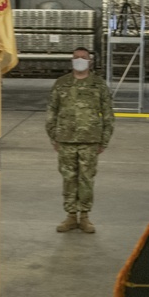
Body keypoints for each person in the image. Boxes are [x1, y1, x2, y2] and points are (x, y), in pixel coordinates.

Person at [46, 47, 114, 233]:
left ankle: (84, 216)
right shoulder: (61, 84)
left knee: (86, 179)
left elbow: (108, 115)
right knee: (68, 178)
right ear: (71, 60)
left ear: (90, 61)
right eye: (76, 57)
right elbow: (52, 111)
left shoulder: (98, 85)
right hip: (65, 140)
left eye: (83, 58)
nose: (80, 60)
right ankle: (70, 216)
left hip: (90, 140)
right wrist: (54, 136)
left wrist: (104, 140)